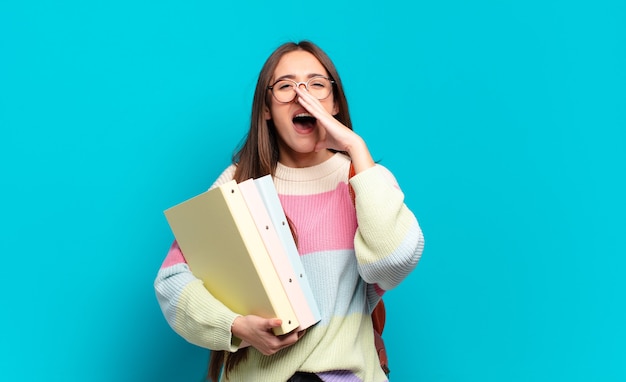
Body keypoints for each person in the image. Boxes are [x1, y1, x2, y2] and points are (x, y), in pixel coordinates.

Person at [154, 40, 425, 382]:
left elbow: (394, 262)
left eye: (315, 84)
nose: (301, 95)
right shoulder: (236, 183)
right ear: (266, 108)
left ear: (335, 102)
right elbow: (172, 282)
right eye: (285, 86)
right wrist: (237, 326)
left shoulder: (367, 179)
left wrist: (357, 149)